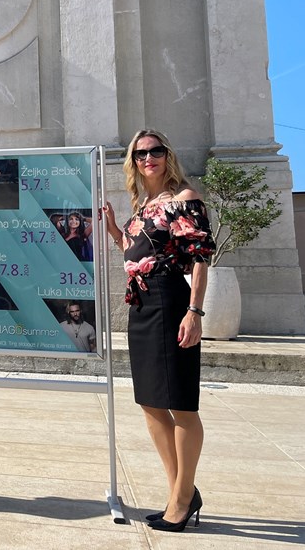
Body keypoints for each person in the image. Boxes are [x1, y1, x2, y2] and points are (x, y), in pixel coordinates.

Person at [101, 129, 215, 532]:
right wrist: (116, 229)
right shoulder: (144, 203)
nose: (148, 158)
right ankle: (179, 490)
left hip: (171, 302)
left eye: (156, 151)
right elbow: (138, 253)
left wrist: (194, 311)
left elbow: (200, 258)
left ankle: (182, 500)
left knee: (181, 404)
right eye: (140, 153)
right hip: (142, 307)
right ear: (132, 162)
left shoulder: (184, 198)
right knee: (150, 402)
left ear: (168, 155)